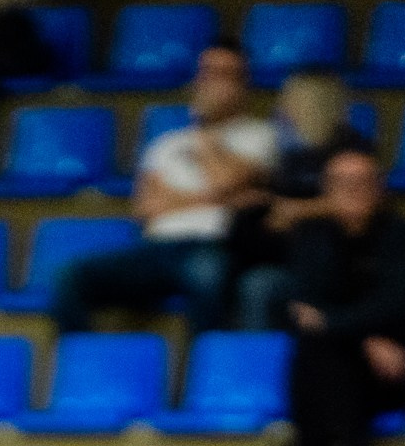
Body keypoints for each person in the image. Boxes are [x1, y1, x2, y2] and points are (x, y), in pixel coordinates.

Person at [51, 42, 277, 335]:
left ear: (242, 84)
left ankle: (206, 371)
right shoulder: (165, 143)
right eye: (208, 73)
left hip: (211, 245)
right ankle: (86, 369)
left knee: (207, 278)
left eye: (225, 75)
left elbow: (224, 181)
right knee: (68, 276)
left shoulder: (260, 136)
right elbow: (146, 208)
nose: (213, 83)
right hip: (157, 248)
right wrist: (219, 199)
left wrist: (204, 132)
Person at [281, 146, 405, 446]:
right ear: (327, 190)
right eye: (342, 183)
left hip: (395, 361)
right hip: (343, 360)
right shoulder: (313, 237)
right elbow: (303, 308)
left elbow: (397, 306)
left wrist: (333, 323)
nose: (352, 190)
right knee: (319, 354)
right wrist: (364, 338)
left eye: (362, 182)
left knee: (322, 353)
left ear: (379, 188)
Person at [228, 71, 359, 331]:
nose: (281, 107)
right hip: (283, 257)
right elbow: (271, 209)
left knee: (259, 286)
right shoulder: (284, 156)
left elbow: (354, 203)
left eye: (291, 99)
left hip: (336, 262)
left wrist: (295, 211)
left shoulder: (350, 149)